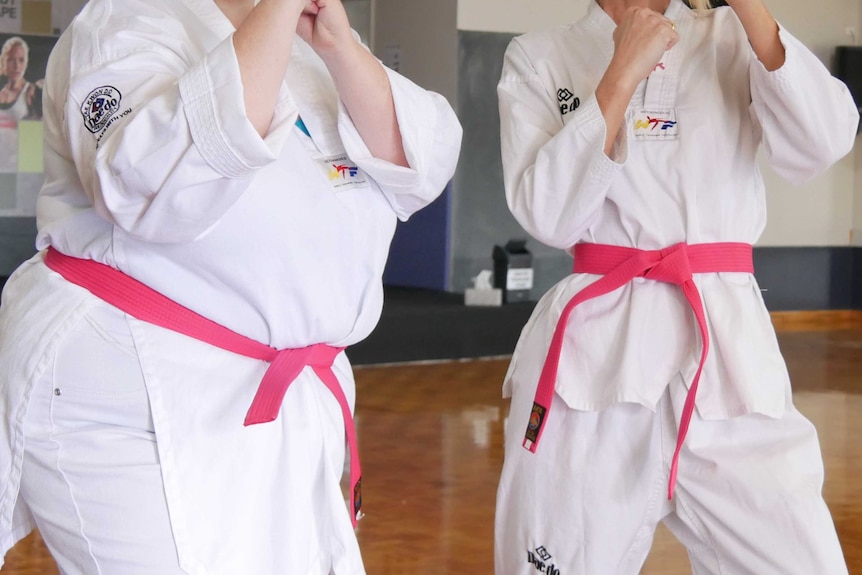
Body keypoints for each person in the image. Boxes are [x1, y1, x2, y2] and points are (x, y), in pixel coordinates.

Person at [0, 0, 461, 573]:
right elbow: (151, 188)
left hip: (273, 395)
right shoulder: (124, 25)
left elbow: (424, 159)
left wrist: (341, 48)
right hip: (134, 385)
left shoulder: (313, 42)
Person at [494, 0, 856, 573]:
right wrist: (619, 73)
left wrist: (751, 10)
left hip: (727, 358)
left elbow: (824, 143)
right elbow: (549, 215)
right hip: (596, 364)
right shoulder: (539, 55)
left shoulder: (731, 36)